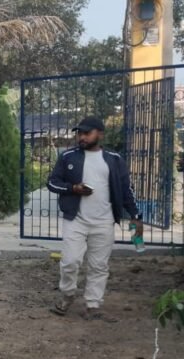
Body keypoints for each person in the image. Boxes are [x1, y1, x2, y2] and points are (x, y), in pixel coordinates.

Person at [47, 116, 141, 321]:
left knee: (99, 265)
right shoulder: (68, 157)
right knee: (70, 261)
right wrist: (73, 188)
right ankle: (67, 295)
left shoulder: (114, 159)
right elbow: (52, 183)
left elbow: (126, 190)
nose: (82, 136)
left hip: (104, 221)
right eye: (80, 133)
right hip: (76, 220)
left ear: (100, 134)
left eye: (86, 133)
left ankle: (93, 305)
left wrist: (135, 215)